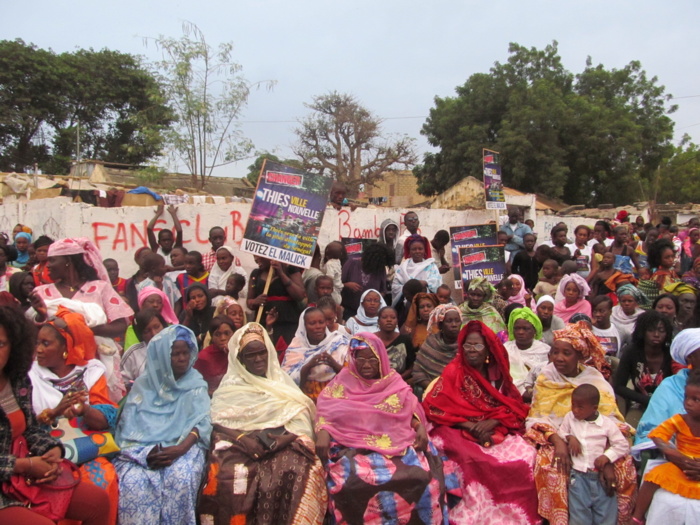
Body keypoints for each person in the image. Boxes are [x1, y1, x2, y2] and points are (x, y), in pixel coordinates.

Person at [315, 332, 458, 524]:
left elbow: (409, 409)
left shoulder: (393, 382)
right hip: (351, 444)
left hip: (396, 442)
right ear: (353, 359)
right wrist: (323, 431)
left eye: (372, 360)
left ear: (381, 358)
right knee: (349, 482)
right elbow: (326, 408)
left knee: (420, 476)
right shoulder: (343, 381)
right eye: (361, 359)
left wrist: (420, 428)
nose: (366, 365)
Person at [200, 323, 327, 524]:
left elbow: (301, 415)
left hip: (281, 441)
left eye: (262, 353)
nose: (259, 359)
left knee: (295, 470)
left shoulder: (280, 383)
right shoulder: (230, 387)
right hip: (240, 442)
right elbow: (218, 419)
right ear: (240, 359)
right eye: (251, 355)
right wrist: (244, 440)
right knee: (228, 474)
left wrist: (285, 439)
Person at [0, 305, 110, 525]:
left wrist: (51, 450)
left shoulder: (18, 380)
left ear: (14, 346)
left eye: (0, 344)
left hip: (26, 476)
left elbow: (30, 427)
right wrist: (26, 465)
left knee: (97, 502)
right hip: (8, 483)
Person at [422, 320, 539, 524]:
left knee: (526, 455)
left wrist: (492, 422)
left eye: (477, 345)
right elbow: (435, 407)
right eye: (467, 345)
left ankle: (517, 513)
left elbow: (511, 406)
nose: (472, 350)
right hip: (456, 427)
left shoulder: (496, 374)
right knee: (470, 458)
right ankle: (477, 512)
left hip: (493, 426)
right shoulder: (454, 371)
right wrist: (471, 426)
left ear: (488, 350)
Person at [525, 322, 636, 525]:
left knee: (624, 467)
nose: (559, 358)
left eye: (566, 353)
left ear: (580, 356)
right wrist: (559, 442)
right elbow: (537, 418)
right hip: (558, 438)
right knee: (552, 465)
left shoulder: (595, 380)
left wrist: (607, 458)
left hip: (600, 442)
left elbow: (612, 422)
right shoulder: (546, 377)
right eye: (555, 352)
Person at [29, 308, 119, 524]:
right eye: (37, 343)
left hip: (88, 450)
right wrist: (56, 412)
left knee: (101, 481)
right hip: (44, 453)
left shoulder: (91, 372)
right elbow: (23, 424)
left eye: (46, 344)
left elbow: (106, 419)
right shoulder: (29, 375)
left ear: (66, 347)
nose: (38, 350)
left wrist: (85, 410)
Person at [114, 325, 211, 525]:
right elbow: (127, 428)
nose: (182, 358)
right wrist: (145, 454)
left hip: (182, 446)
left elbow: (202, 422)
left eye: (185, 352)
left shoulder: (195, 383)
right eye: (175, 354)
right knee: (133, 483)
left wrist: (179, 449)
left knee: (181, 477)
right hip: (141, 451)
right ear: (162, 355)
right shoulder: (143, 385)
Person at [30, 237, 134, 402]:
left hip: (95, 363)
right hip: (54, 367)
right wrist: (42, 315)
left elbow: (121, 325)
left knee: (95, 408)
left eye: (52, 260)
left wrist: (78, 328)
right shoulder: (42, 293)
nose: (47, 265)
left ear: (68, 261)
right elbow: (32, 331)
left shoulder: (100, 288)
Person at [632, 369, 700, 524]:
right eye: (686, 397)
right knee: (652, 478)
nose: (688, 403)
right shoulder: (680, 419)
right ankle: (637, 517)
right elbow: (657, 435)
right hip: (679, 463)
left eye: (696, 400)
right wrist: (673, 454)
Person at [558, 384, 630, 525]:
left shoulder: (606, 424)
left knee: (605, 515)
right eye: (573, 405)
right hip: (578, 476)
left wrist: (606, 457)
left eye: (580, 407)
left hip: (599, 477)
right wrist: (570, 438)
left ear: (594, 408)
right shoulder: (570, 418)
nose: (575, 410)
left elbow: (622, 445)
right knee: (579, 516)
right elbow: (561, 431)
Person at [615, 310, 678, 427]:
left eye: (661, 330)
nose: (656, 334)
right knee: (630, 431)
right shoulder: (631, 352)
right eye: (651, 330)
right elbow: (619, 386)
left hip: (668, 407)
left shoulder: (671, 354)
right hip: (639, 405)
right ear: (642, 331)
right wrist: (646, 400)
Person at [282, 307, 349, 401]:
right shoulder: (296, 346)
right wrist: (308, 365)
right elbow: (286, 380)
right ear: (304, 325)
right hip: (304, 399)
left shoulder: (339, 342)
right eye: (312, 323)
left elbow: (351, 376)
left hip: (336, 397)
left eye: (321, 322)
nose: (318, 326)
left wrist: (333, 363)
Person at [247, 256, 305, 346]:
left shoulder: (290, 269)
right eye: (256, 259)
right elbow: (249, 301)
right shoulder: (255, 274)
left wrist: (281, 274)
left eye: (261, 258)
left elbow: (300, 295)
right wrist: (254, 301)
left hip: (288, 322)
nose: (258, 261)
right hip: (263, 321)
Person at [412, 304, 462, 391]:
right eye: (449, 321)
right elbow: (418, 372)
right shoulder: (431, 343)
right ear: (440, 325)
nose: (454, 324)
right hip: (432, 391)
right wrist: (435, 388)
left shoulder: (466, 345)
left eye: (457, 321)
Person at [505, 307, 550, 400]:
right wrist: (521, 391)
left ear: (534, 330)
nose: (520, 332)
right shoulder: (505, 349)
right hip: (509, 395)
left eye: (526, 329)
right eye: (517, 328)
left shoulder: (545, 350)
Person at [121, 308, 168, 388]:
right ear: (140, 334)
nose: (154, 333)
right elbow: (123, 383)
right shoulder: (133, 353)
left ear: (163, 325)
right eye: (147, 331)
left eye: (157, 327)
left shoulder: (176, 346)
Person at [391, 234, 441, 306]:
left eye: (420, 249)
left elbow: (437, 284)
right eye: (414, 249)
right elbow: (395, 286)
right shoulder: (403, 267)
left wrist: (425, 283)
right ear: (409, 251)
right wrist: (409, 287)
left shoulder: (431, 266)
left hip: (428, 304)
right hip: (407, 304)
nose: (417, 251)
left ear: (424, 250)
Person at [194, 315, 237, 395]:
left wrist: (232, 355)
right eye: (217, 334)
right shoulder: (203, 357)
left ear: (234, 333)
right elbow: (195, 386)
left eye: (227, 333)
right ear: (212, 337)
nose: (223, 338)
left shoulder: (239, 352)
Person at [374, 305, 414, 375]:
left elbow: (411, 366)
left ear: (397, 321)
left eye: (393, 317)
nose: (389, 320)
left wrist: (398, 380)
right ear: (378, 321)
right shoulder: (371, 340)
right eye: (384, 317)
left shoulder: (405, 340)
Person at [179, 283, 215, 349]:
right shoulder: (185, 313)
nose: (197, 300)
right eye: (193, 298)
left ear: (207, 296)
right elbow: (180, 336)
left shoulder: (215, 311)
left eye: (200, 296)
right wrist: (188, 317)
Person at [612, 284, 646, 351]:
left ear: (636, 302)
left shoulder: (642, 316)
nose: (626, 303)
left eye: (630, 301)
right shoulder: (613, 312)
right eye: (623, 301)